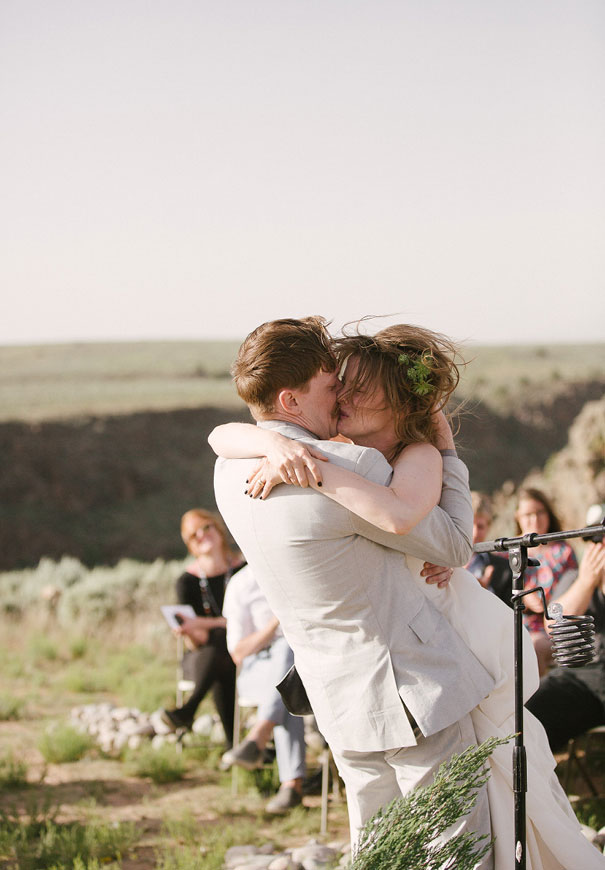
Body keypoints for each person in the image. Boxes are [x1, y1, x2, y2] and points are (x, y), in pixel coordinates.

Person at [210, 318, 605, 870]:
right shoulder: (354, 467)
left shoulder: (228, 471)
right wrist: (449, 453)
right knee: (456, 851)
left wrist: (270, 439)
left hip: (337, 700)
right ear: (290, 400)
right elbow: (453, 544)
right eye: (331, 384)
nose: (339, 394)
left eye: (352, 385)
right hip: (414, 694)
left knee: (379, 851)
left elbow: (221, 435)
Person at [220, 564, 307, 813]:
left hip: (302, 666)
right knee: (288, 685)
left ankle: (259, 736)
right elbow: (238, 652)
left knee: (289, 677)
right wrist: (276, 623)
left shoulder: (293, 570)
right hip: (257, 668)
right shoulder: (241, 585)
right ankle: (291, 785)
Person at [160, 508, 243, 749]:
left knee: (222, 648)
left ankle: (189, 710)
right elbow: (198, 641)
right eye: (193, 534)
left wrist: (203, 622)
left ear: (218, 529)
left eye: (206, 527)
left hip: (244, 649)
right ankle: (235, 746)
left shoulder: (243, 570)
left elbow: (252, 620)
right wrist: (190, 629)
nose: (202, 535)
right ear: (189, 544)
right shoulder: (186, 582)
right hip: (202, 655)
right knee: (219, 647)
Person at [527, 534, 605, 752]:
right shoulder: (575, 578)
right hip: (581, 677)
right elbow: (553, 625)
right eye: (598, 541)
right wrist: (587, 582)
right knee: (530, 716)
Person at [514, 488, 578, 676]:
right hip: (516, 623)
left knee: (534, 646)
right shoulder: (507, 552)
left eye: (540, 512)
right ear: (518, 517)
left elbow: (574, 590)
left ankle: (539, 694)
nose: (535, 519)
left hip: (552, 627)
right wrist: (523, 597)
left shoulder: (563, 551)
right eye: (528, 514)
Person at [466, 492, 513, 607]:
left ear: (488, 527)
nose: (475, 533)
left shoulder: (503, 569)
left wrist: (486, 592)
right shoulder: (443, 562)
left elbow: (507, 611)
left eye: (480, 527)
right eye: (470, 524)